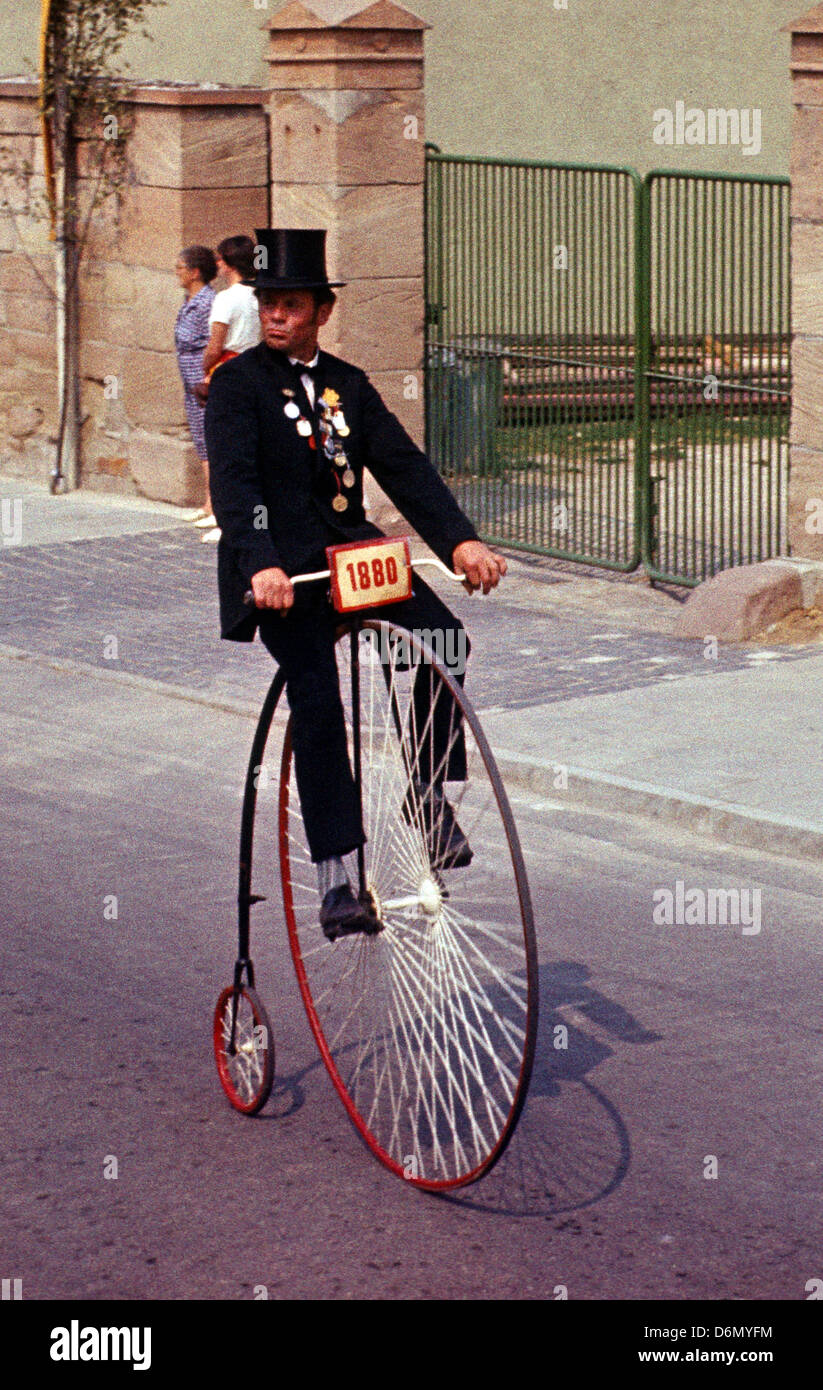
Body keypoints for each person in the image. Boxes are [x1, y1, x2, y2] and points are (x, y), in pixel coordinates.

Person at [205, 228, 506, 941]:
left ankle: (426, 796)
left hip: (351, 556)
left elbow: (403, 468)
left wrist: (459, 540)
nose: (275, 316)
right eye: (267, 303)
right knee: (316, 694)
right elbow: (235, 484)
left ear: (321, 311)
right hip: (284, 569)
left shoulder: (348, 383)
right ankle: (337, 877)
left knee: (443, 641)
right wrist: (260, 561)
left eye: (290, 304)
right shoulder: (237, 386)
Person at [173, 245, 220, 542]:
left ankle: (216, 504)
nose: (176, 273)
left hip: (203, 378)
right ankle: (207, 502)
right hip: (189, 377)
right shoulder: (189, 299)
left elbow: (211, 341)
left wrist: (204, 372)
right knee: (200, 438)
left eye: (180, 268)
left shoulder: (208, 302)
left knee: (209, 437)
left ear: (195, 272)